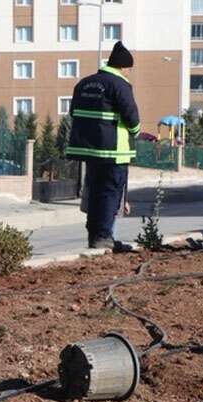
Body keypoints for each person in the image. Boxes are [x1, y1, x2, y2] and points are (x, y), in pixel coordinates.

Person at [67, 41, 141, 249]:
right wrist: (135, 132)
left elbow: (73, 113)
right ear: (123, 67)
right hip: (113, 150)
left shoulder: (83, 84)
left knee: (94, 192)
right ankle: (104, 237)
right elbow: (131, 116)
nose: (128, 73)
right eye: (128, 69)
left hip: (89, 150)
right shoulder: (120, 85)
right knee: (110, 192)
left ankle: (94, 237)